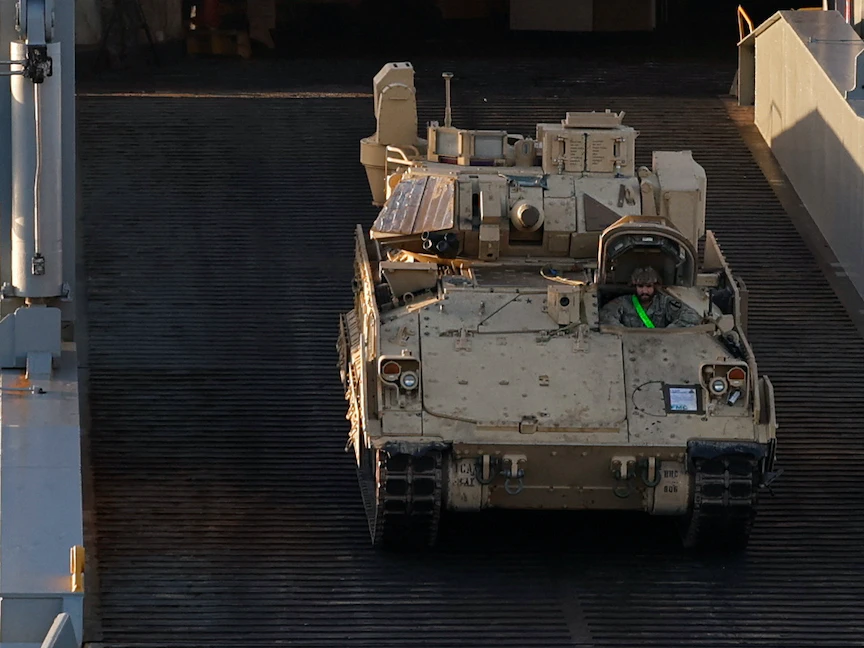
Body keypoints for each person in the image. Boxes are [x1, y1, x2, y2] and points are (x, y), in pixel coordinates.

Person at [599, 266, 702, 328]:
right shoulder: (622, 302)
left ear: (655, 287)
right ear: (634, 287)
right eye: (640, 286)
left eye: (649, 286)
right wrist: (624, 333)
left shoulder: (664, 302)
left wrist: (668, 332)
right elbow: (606, 317)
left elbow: (691, 316)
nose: (644, 291)